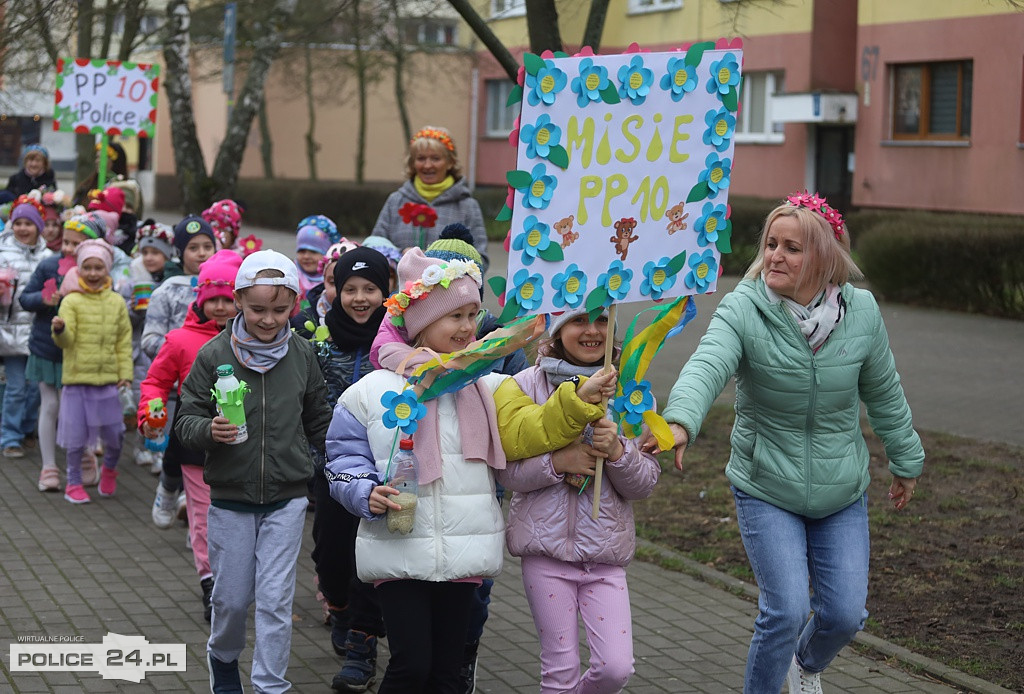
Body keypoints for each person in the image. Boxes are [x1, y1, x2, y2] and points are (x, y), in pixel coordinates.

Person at [655, 193, 925, 694]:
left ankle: (806, 665)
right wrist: (681, 421)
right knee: (786, 610)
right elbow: (707, 363)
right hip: (766, 484)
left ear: (823, 258)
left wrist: (905, 459)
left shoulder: (861, 312)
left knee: (845, 614)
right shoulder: (744, 307)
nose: (775, 255)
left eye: (792, 248)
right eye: (772, 244)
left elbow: (885, 392)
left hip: (840, 487)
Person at [325, 248, 614, 692]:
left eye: (473, 314)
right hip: (399, 550)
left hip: (465, 555)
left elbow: (533, 430)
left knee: (445, 674)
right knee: (411, 666)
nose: (467, 327)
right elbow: (343, 458)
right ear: (421, 324)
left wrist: (577, 400)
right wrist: (364, 492)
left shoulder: (491, 386)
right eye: (454, 316)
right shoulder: (370, 390)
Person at [174, 250, 333, 693]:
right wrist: (210, 429)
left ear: (294, 305)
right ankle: (223, 658)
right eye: (258, 308)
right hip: (230, 498)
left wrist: (341, 463)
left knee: (277, 599)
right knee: (230, 600)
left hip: (288, 496)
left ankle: (269, 685)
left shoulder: (301, 353)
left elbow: (318, 417)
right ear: (239, 299)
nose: (268, 319)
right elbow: (184, 422)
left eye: (280, 310)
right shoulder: (214, 354)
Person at [498, 307, 659, 693]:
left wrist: (620, 453)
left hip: (605, 558)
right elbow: (506, 473)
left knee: (616, 668)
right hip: (545, 555)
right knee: (560, 669)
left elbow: (645, 483)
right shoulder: (524, 387)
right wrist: (557, 462)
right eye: (579, 320)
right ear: (556, 330)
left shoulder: (632, 393)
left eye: (603, 320)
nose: (592, 331)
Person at [139, 250, 242, 619]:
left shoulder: (257, 339)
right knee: (204, 515)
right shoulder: (180, 339)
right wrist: (152, 412)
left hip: (244, 443)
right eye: (211, 298)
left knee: (235, 516)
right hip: (196, 440)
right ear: (200, 299)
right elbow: (155, 381)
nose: (218, 306)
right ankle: (210, 581)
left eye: (227, 299)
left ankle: (236, 579)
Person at [304, 247, 390, 691]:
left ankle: (362, 645)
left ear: (385, 292)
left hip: (383, 472)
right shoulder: (319, 346)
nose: (360, 298)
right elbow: (306, 405)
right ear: (334, 291)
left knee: (369, 562)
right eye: (350, 288)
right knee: (331, 556)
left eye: (370, 289)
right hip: (331, 471)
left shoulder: (397, 347)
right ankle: (336, 605)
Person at [19, 214, 106, 491]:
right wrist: (44, 300)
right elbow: (25, 298)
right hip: (47, 348)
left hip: (82, 352)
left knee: (77, 409)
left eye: (76, 244)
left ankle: (84, 456)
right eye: (66, 242)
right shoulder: (48, 265)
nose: (68, 249)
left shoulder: (98, 270)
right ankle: (48, 468)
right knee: (51, 406)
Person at [51, 239, 132, 504]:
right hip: (77, 381)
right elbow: (66, 342)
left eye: (99, 267)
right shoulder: (71, 301)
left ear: (108, 269)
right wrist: (60, 330)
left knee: (116, 435)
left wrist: (125, 373)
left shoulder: (117, 302)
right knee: (75, 439)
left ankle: (109, 468)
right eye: (88, 267)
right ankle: (73, 482)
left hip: (108, 382)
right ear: (79, 269)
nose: (94, 273)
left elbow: (123, 341)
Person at [371, 126, 489, 272]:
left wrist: (444, 266)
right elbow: (375, 248)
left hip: (447, 292)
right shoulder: (396, 201)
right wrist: (401, 255)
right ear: (412, 163)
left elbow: (481, 259)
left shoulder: (467, 205)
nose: (427, 165)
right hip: (399, 292)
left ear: (450, 162)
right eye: (421, 158)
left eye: (435, 158)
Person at [0, 196, 52, 458]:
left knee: (35, 388)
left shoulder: (49, 257)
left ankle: (25, 428)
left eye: (28, 223)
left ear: (38, 226)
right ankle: (9, 436)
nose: (22, 228)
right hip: (10, 332)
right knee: (16, 387)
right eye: (17, 222)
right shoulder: (2, 253)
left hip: (39, 333)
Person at [128, 220, 181, 472]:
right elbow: (129, 320)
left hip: (165, 350)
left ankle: (161, 450)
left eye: (156, 252)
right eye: (145, 252)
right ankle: (141, 444)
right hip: (141, 352)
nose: (149, 258)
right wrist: (133, 308)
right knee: (146, 400)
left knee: (165, 403)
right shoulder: (134, 277)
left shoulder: (173, 282)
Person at [294, 215, 336, 300]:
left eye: (313, 252)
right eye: (302, 251)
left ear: (327, 253)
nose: (306, 256)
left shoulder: (333, 280)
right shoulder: (292, 275)